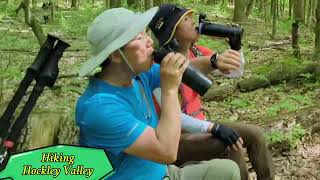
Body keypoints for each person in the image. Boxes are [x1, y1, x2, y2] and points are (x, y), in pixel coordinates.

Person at [75, 7, 241, 180]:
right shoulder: (100, 107)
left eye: (146, 33)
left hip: (163, 173)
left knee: (227, 170)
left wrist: (214, 61)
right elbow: (167, 153)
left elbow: (180, 66)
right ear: (116, 55)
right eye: (139, 38)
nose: (149, 41)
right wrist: (169, 90)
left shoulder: (138, 75)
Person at [148, 4, 275, 180]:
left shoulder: (196, 52)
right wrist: (213, 128)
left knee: (255, 135)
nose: (193, 22)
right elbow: (177, 118)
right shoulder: (159, 68)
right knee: (230, 145)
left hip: (202, 125)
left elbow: (236, 72)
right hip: (178, 137)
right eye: (185, 19)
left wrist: (236, 46)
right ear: (172, 32)